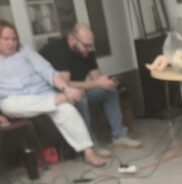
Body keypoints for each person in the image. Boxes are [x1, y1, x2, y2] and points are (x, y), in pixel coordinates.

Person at [0, 20, 106, 167]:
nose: (11, 43)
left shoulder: (24, 50)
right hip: (15, 100)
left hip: (42, 93)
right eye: (6, 39)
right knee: (8, 106)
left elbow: (47, 71)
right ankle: (57, 100)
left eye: (14, 39)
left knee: (67, 110)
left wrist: (66, 89)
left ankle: (88, 152)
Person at [40, 22, 141, 152]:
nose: (89, 49)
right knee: (81, 98)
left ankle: (119, 136)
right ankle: (91, 145)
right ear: (72, 39)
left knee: (109, 92)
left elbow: (97, 77)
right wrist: (95, 84)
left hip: (76, 89)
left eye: (91, 45)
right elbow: (64, 84)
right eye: (86, 45)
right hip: (54, 93)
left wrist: (108, 82)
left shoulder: (87, 50)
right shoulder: (59, 50)